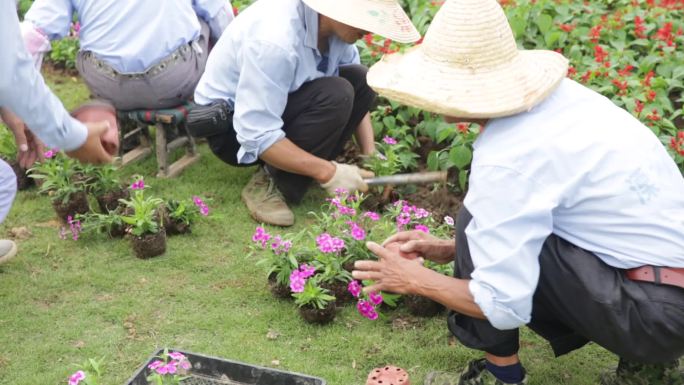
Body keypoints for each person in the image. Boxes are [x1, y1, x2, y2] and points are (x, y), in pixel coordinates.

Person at [352, 0, 684, 384]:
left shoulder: (507, 157)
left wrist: (412, 279)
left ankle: (502, 376)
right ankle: (648, 368)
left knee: (476, 220)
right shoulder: (567, 100)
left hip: (652, 317)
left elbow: (500, 303)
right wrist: (453, 248)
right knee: (476, 231)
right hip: (667, 299)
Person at [192, 0, 420, 227]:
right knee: (337, 94)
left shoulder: (335, 30)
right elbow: (255, 133)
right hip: (231, 131)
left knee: (361, 79)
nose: (370, 29)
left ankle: (298, 169)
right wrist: (329, 172)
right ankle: (269, 183)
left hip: (275, 110)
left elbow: (357, 92)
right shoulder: (275, 39)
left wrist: (370, 156)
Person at [1, 0, 117, 265]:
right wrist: (73, 136)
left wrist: (8, 106)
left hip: (103, 73)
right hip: (176, 77)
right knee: (3, 182)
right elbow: (10, 68)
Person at [21, 0, 235, 111]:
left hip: (106, 87)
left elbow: (33, 33)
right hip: (173, 82)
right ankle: (212, 99)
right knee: (204, 21)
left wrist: (27, 100)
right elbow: (220, 16)